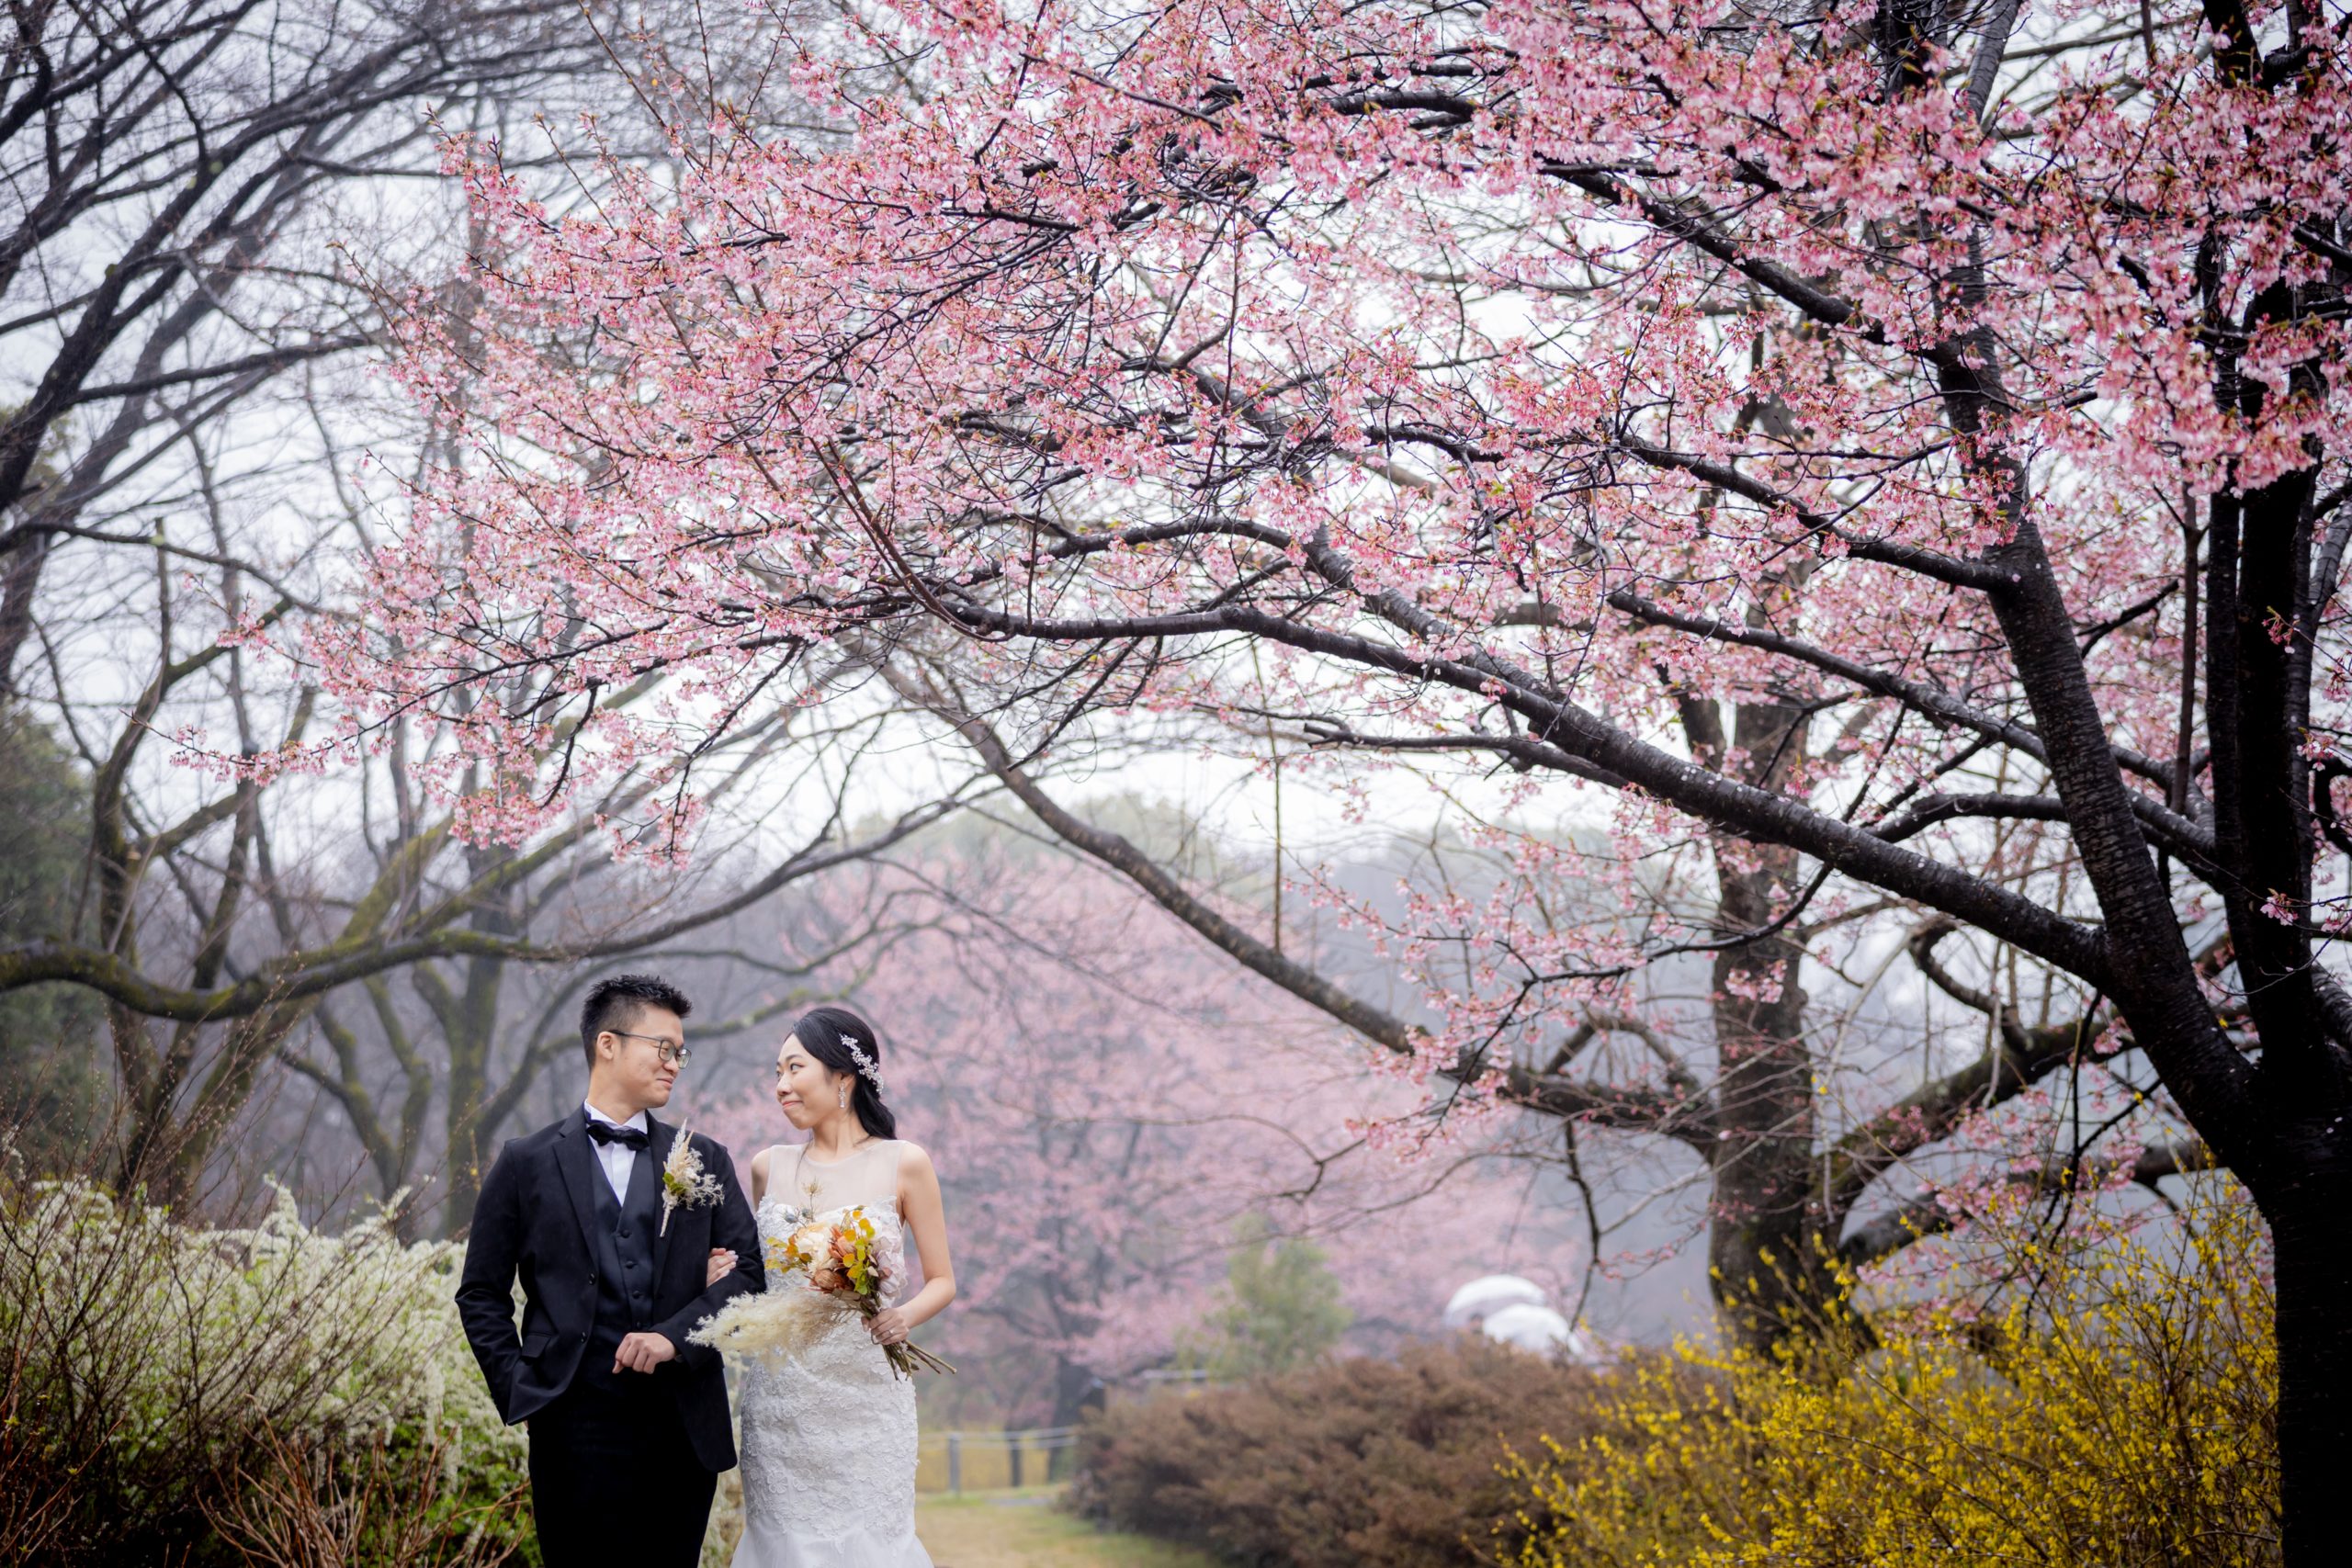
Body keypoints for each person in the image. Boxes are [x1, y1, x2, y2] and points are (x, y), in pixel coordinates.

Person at [455, 973, 763, 1567]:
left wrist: (672, 1338)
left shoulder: (704, 1158)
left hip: (681, 1428)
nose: (675, 1063)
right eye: (663, 1048)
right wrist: (523, 1387)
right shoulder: (526, 1162)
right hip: (572, 1426)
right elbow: (481, 1292)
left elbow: (750, 1273)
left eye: (681, 1051)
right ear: (608, 1044)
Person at [711, 1004, 956, 1567]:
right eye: (776, 1073)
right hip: (783, 1402)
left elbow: (942, 1280)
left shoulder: (905, 1163)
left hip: (868, 1399)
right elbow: (762, 1277)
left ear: (842, 1076)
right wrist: (720, 1273)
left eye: (794, 1069)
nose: (781, 1086)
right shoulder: (766, 1167)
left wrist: (904, 1316)